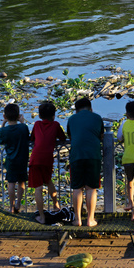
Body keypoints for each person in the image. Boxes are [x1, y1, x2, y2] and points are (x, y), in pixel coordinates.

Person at [66, 97, 104, 227]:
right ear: (91, 109)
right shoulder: (97, 118)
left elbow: (70, 136)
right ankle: (90, 219)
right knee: (91, 188)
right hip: (93, 155)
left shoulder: (71, 119)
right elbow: (101, 136)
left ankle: (77, 219)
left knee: (77, 188)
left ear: (76, 111)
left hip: (76, 156)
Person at [29, 102, 67, 224]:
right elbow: (63, 138)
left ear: (39, 116)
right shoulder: (56, 125)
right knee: (49, 181)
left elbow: (32, 138)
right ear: (54, 115)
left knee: (38, 188)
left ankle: (41, 216)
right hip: (47, 159)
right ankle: (56, 205)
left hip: (35, 159)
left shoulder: (36, 124)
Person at [0, 103, 30, 214]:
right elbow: (27, 135)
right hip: (22, 160)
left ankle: (11, 207)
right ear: (18, 115)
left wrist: (3, 123)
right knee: (21, 182)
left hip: (11, 160)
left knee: (11, 182)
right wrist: (22, 121)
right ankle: (18, 204)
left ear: (5, 116)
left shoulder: (4, 130)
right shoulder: (23, 128)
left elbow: (1, 140)